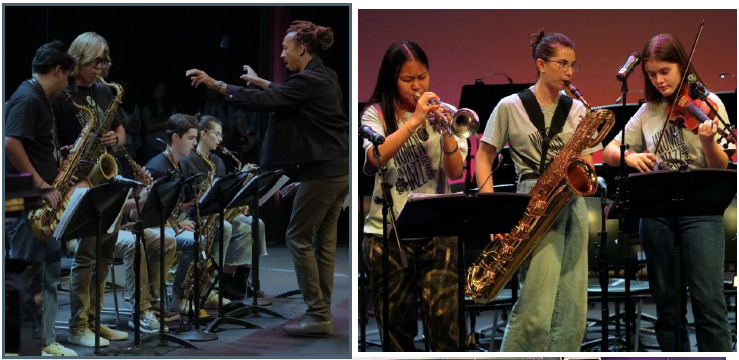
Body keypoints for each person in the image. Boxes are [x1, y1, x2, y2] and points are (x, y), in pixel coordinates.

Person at [185, 20, 349, 336]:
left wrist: (217, 85)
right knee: (323, 243)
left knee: (298, 238)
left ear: (301, 49)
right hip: (337, 170)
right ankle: (321, 311)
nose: (283, 54)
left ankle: (317, 313)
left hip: (323, 173)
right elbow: (284, 92)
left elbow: (268, 101)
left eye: (285, 48)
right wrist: (260, 81)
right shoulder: (323, 76)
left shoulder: (308, 81)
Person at [602, 33, 735, 351]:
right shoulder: (649, 110)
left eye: (665, 72)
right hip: (657, 213)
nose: (659, 80)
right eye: (652, 74)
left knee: (708, 302)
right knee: (666, 304)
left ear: (682, 67)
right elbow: (609, 151)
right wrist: (630, 156)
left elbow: (721, 166)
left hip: (701, 212)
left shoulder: (710, 104)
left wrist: (707, 141)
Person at [475, 29, 599, 351]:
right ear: (541, 64)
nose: (570, 72)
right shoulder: (510, 106)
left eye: (573, 65)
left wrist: (585, 173)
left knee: (573, 307)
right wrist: (491, 211)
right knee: (536, 305)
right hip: (532, 199)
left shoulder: (576, 109)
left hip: (571, 202)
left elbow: (586, 164)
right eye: (562, 64)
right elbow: (484, 156)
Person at [361, 40, 467, 351]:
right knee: (396, 335)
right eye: (408, 79)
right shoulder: (375, 114)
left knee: (447, 330)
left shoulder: (443, 113)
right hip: (387, 236)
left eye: (422, 76)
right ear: (392, 79)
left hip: (438, 232)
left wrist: (447, 132)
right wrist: (415, 121)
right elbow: (374, 158)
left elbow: (456, 172)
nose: (417, 86)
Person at [50, 31, 128, 348]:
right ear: (80, 57)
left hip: (104, 177)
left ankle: (96, 321)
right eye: (96, 61)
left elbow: (120, 130)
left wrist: (116, 140)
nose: (101, 67)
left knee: (105, 256)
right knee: (86, 257)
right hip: (77, 181)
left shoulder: (104, 91)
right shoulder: (61, 92)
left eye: (104, 61)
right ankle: (78, 325)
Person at [5, 40, 78, 356]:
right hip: (24, 199)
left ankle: (44, 341)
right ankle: (17, 345)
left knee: (47, 268)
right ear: (59, 70)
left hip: (37, 200)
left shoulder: (39, 98)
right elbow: (10, 143)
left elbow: (30, 145)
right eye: (68, 77)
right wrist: (41, 184)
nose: (68, 85)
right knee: (23, 274)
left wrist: (57, 163)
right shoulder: (27, 98)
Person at [143, 113, 233, 313]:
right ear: (176, 138)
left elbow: (175, 206)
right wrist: (177, 224)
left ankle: (203, 289)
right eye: (191, 139)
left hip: (173, 223)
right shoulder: (158, 168)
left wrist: (196, 200)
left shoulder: (179, 164)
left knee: (219, 229)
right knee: (197, 241)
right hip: (157, 228)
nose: (194, 144)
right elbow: (145, 217)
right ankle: (178, 296)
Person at [179, 115, 269, 302]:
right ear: (203, 135)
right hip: (197, 214)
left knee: (256, 223)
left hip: (219, 211)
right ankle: (223, 282)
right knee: (241, 228)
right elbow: (186, 197)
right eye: (217, 134)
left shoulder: (217, 161)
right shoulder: (187, 161)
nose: (221, 139)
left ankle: (241, 278)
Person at [141, 82, 177, 164]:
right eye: (159, 90)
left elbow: (174, 125)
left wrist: (157, 125)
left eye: (164, 91)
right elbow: (149, 127)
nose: (161, 93)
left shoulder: (171, 107)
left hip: (166, 145)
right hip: (151, 145)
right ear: (154, 91)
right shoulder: (147, 107)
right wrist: (166, 123)